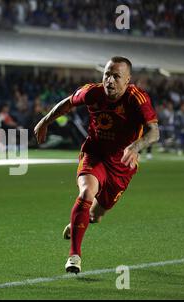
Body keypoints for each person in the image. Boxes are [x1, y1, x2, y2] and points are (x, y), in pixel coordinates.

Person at [34, 56, 159, 274]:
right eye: (107, 74)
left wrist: (136, 147)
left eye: (116, 76)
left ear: (128, 80)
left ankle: (78, 223)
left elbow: (154, 131)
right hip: (95, 154)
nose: (109, 80)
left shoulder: (137, 99)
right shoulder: (93, 92)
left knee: (96, 215)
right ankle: (74, 256)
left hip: (122, 164)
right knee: (86, 193)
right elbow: (68, 102)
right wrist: (45, 121)